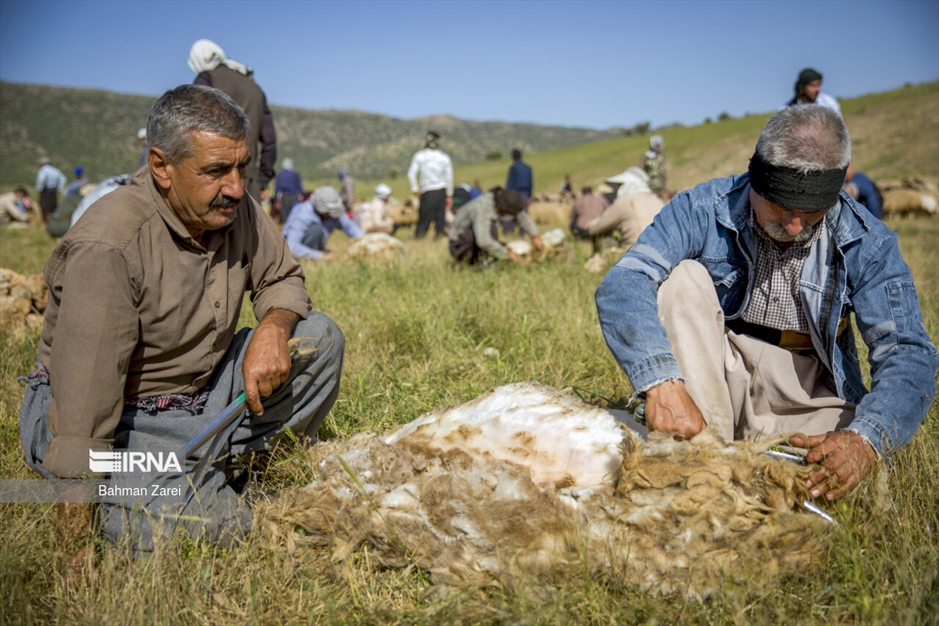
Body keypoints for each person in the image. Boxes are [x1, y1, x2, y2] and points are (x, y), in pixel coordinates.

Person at [19, 84, 345, 554]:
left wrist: (273, 328)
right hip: (122, 422)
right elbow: (84, 407)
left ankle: (213, 467)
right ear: (161, 166)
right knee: (205, 525)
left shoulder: (233, 207)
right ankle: (173, 489)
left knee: (318, 338)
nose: (236, 187)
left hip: (204, 396)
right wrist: (74, 543)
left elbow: (281, 277)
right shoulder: (110, 245)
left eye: (242, 167)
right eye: (215, 171)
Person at [595, 105, 938, 502]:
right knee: (681, 278)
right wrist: (661, 382)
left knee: (852, 487)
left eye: (811, 212)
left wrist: (866, 438)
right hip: (713, 371)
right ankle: (697, 448)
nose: (793, 226)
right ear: (756, 179)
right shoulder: (702, 208)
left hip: (804, 390)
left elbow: (907, 351)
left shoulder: (869, 243)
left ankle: (721, 456)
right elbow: (625, 279)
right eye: (779, 205)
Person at [189, 39, 277, 203]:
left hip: (214, 178)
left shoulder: (207, 79)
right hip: (249, 179)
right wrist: (263, 179)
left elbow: (193, 125)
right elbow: (269, 142)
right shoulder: (255, 89)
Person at [448, 188, 543, 265]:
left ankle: (486, 259)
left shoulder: (504, 201)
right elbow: (483, 241)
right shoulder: (482, 208)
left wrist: (534, 235)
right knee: (491, 228)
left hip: (475, 238)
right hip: (459, 244)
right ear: (502, 209)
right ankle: (472, 263)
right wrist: (507, 253)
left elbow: (521, 216)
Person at [585, 168, 665, 249]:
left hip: (636, 250)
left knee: (604, 238)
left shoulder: (625, 202)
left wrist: (588, 225)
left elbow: (596, 227)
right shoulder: (659, 201)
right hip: (662, 250)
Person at [282, 185, 365, 260]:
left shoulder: (333, 211)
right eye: (329, 212)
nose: (333, 215)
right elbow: (292, 246)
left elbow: (348, 226)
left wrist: (364, 241)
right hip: (293, 251)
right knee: (315, 229)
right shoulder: (302, 214)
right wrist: (321, 256)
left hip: (316, 248)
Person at [408, 131, 453, 239]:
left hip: (427, 191)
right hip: (441, 191)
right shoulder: (444, 157)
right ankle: (438, 237)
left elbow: (411, 173)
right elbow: (449, 177)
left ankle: (419, 237)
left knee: (424, 218)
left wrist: (415, 188)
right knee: (440, 218)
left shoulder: (420, 156)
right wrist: (449, 194)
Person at [35, 157, 67, 223]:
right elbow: (63, 179)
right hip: (54, 193)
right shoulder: (55, 170)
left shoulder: (43, 170)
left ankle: (46, 223)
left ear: (42, 163)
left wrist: (40, 189)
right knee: (53, 208)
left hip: (46, 193)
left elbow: (42, 180)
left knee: (45, 209)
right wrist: (59, 188)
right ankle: (54, 223)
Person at [274, 158, 303, 223]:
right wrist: (302, 195)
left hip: (284, 196)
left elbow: (277, 188)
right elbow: (299, 187)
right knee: (294, 214)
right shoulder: (295, 174)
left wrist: (276, 200)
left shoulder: (279, 175)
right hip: (294, 196)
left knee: (285, 216)